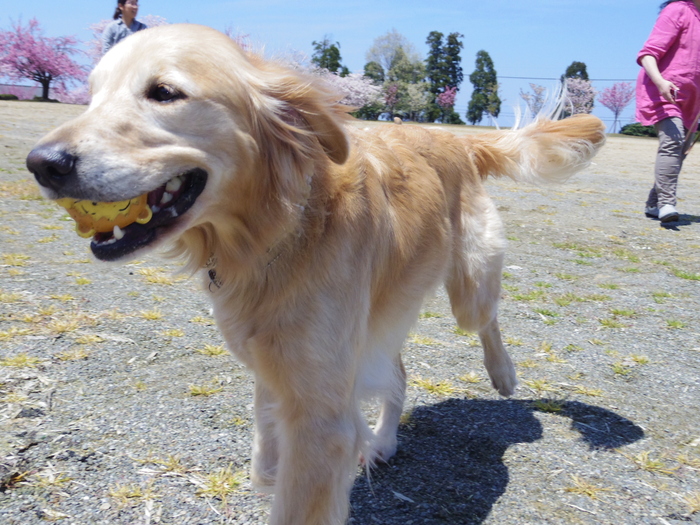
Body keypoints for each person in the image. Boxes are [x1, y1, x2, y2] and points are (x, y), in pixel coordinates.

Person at [636, 0, 700, 223]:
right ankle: (666, 204)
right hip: (663, 90)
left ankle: (654, 204)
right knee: (673, 142)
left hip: (693, 100)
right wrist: (661, 82)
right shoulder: (678, 10)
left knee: (679, 150)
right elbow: (648, 54)